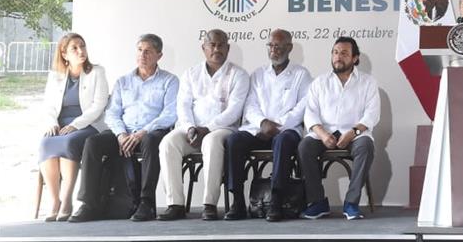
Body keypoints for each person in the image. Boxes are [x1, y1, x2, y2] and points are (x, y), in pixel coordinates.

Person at [69, 34, 178, 222]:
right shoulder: (123, 81)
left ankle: (146, 203)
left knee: (152, 141)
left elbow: (170, 114)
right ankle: (89, 203)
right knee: (93, 143)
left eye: (148, 51)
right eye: (139, 50)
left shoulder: (170, 81)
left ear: (159, 55)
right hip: (124, 132)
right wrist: (120, 134)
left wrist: (142, 133)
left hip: (150, 132)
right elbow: (112, 113)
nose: (142, 55)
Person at [158, 29, 249, 221]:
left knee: (211, 142)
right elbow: (182, 105)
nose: (217, 49)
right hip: (191, 129)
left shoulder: (238, 74)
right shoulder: (191, 73)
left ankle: (209, 204)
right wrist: (191, 127)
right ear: (204, 48)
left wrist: (207, 129)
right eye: (212, 45)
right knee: (168, 143)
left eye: (221, 45)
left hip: (222, 129)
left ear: (228, 47)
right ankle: (175, 204)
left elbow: (234, 110)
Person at [223, 29, 311, 221]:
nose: (273, 50)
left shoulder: (301, 75)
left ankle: (276, 200)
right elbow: (250, 104)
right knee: (234, 141)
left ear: (289, 47)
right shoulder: (258, 74)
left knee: (283, 141)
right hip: (258, 130)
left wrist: (277, 126)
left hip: (286, 130)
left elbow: (302, 107)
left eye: (278, 46)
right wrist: (262, 123)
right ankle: (237, 201)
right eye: (270, 45)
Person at [297, 37, 380, 220]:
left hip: (355, 134)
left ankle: (351, 203)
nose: (338, 57)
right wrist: (323, 134)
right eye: (335, 52)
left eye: (344, 53)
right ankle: (318, 202)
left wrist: (353, 132)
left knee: (366, 146)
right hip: (324, 134)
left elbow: (372, 115)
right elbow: (310, 113)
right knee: (305, 147)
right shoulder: (319, 82)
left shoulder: (368, 82)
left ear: (355, 58)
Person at [37, 33, 109, 221]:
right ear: (64, 54)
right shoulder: (56, 76)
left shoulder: (97, 72)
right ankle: (54, 201)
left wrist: (75, 125)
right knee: (45, 144)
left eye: (82, 46)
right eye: (74, 48)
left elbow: (98, 105)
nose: (80, 51)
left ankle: (67, 199)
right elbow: (49, 105)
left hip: (88, 124)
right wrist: (52, 122)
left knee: (69, 142)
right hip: (61, 124)